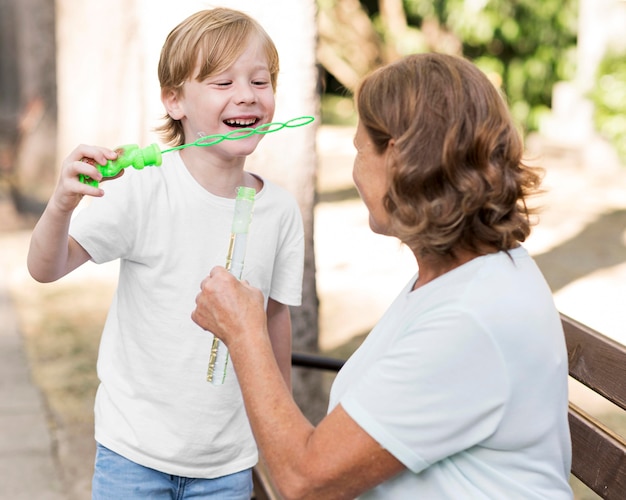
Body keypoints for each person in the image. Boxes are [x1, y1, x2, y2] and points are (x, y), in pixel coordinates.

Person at [191, 52, 574, 499]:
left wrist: (244, 334)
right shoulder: (462, 278)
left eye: (358, 150)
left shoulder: (472, 318)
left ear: (397, 158)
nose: (354, 172)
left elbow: (305, 480)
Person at [27, 7, 304, 499]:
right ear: (174, 100)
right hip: (132, 453)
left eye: (260, 81)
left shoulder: (280, 210)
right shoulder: (144, 189)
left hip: (227, 463)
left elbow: (275, 319)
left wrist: (279, 430)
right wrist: (61, 205)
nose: (246, 94)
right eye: (222, 83)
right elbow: (45, 269)